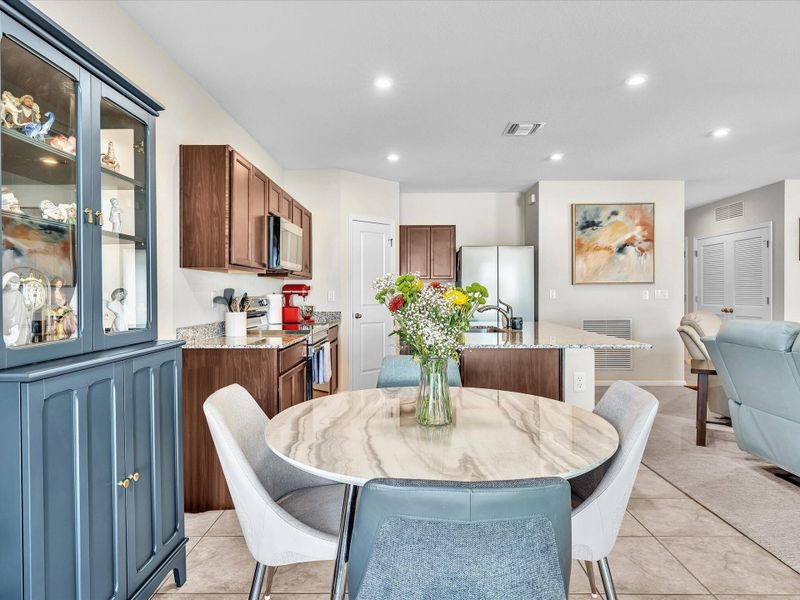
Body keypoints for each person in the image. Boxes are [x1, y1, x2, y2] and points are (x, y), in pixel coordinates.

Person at [3, 272, 32, 346]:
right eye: (13, 282)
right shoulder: (3, 296)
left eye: (17, 282)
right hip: (10, 324)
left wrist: (28, 305)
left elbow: (28, 306)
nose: (16, 284)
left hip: (20, 321)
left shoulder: (19, 295)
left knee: (20, 336)